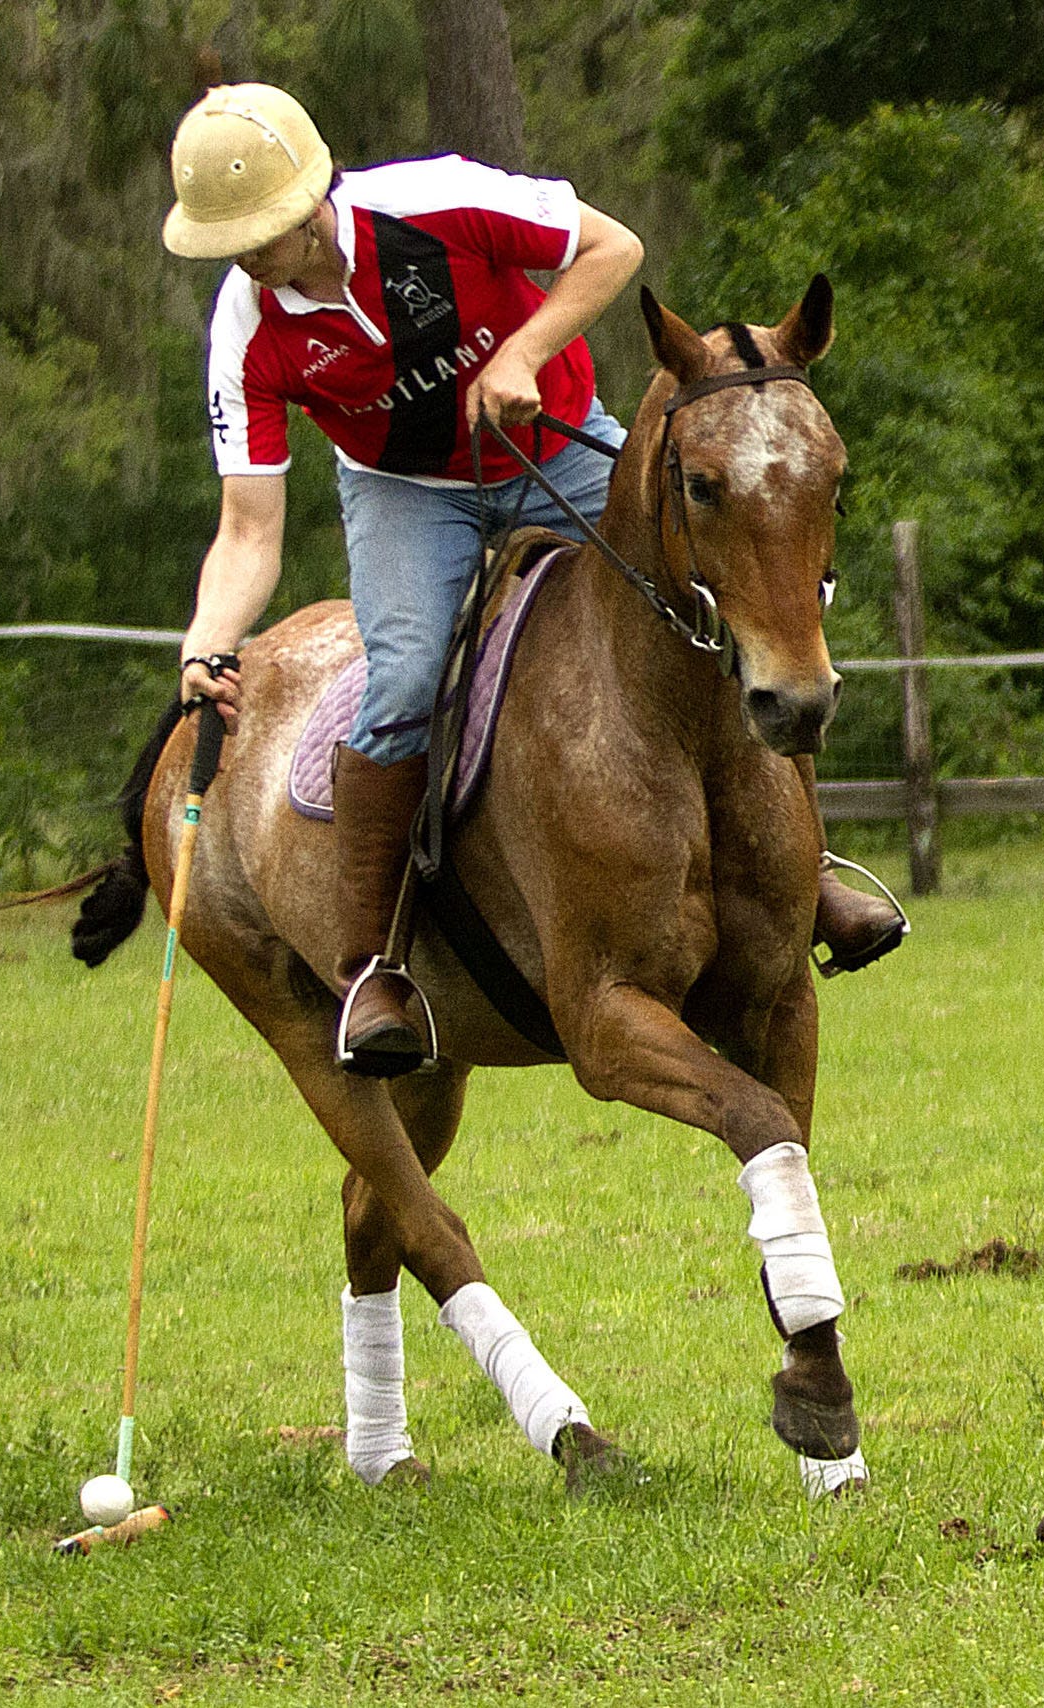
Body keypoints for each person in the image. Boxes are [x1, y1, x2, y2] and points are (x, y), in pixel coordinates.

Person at [161, 84, 900, 1078]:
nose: (250, 257)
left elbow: (616, 248)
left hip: (555, 442)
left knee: (720, 594)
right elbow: (249, 527)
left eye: (265, 233)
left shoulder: (434, 201)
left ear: (313, 194)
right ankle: (376, 962)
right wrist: (209, 638)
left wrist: (524, 351)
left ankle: (809, 874)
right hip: (406, 493)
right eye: (231, 244)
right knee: (407, 676)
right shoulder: (245, 331)